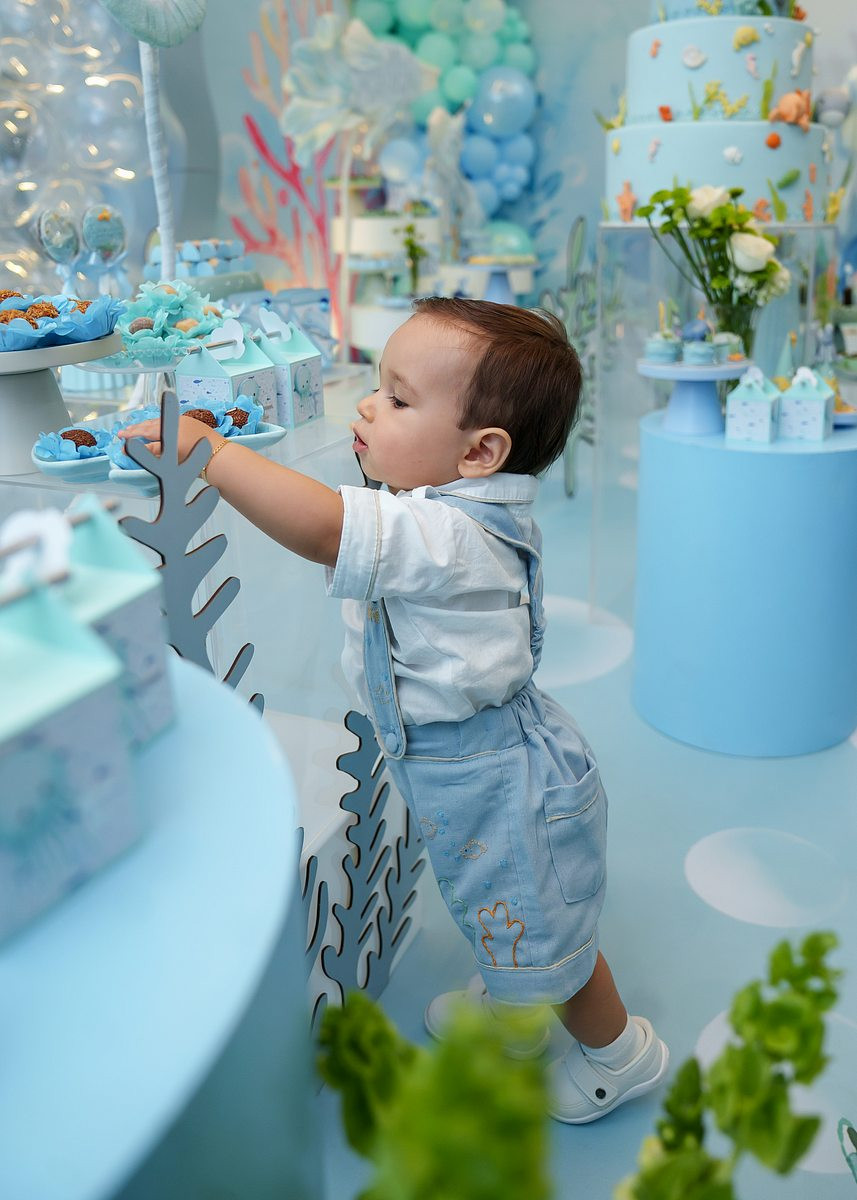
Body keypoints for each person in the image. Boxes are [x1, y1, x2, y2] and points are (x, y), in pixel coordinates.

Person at [120, 297, 668, 1123]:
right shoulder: (450, 510)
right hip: (464, 767)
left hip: (499, 780)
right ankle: (514, 1014)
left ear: (479, 452)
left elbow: (322, 529)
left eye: (399, 399)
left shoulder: (450, 534)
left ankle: (620, 1054)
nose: (369, 408)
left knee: (548, 936)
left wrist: (213, 454)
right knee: (501, 910)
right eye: (378, 388)